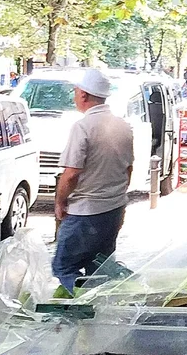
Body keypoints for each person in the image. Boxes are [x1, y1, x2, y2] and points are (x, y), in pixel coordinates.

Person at [53, 68, 134, 291]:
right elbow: (128, 169)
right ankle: (103, 304)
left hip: (85, 211)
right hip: (114, 208)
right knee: (99, 265)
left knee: (63, 266)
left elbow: (71, 174)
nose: (74, 95)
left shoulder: (83, 127)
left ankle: (87, 306)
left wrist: (60, 203)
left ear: (84, 95)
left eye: (76, 91)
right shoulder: (123, 126)